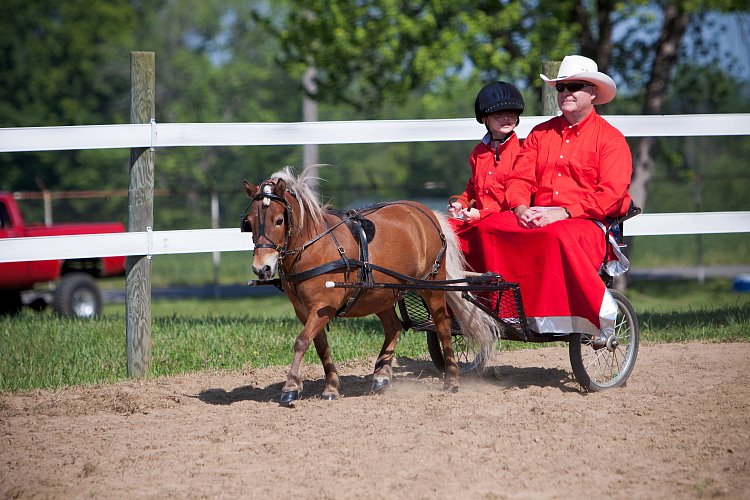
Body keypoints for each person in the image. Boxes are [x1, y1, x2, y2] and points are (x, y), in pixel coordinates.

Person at [457, 55, 633, 343]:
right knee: (489, 227)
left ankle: (589, 314)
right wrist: (521, 207)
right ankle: (500, 309)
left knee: (554, 235)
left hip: (586, 221)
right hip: (538, 215)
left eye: (573, 86)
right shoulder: (541, 134)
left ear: (592, 93)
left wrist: (563, 212)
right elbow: (520, 179)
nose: (565, 93)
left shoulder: (610, 140)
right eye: (560, 88)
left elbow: (611, 195)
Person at [447, 81, 524, 223]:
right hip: (481, 220)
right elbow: (473, 187)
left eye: (511, 114)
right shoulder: (478, 152)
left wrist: (483, 216)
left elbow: (522, 197)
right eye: (499, 115)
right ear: (485, 119)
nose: (506, 118)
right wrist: (461, 203)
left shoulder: (523, 151)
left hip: (509, 222)